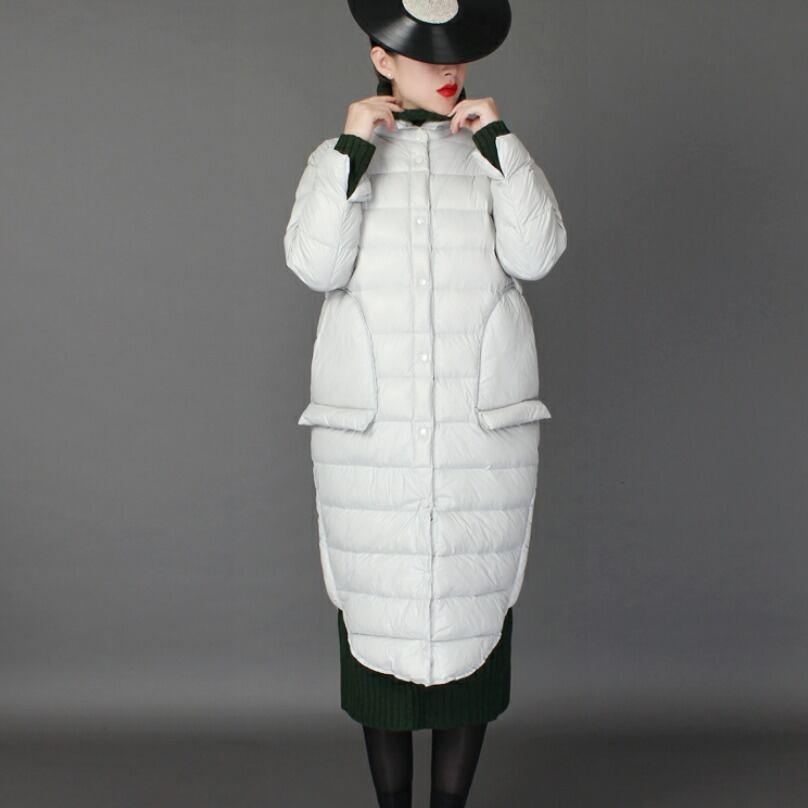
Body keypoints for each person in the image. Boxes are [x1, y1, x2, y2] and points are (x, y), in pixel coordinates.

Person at [283, 2, 568, 806]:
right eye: (427, 56)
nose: (448, 70)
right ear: (382, 58)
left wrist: (500, 142)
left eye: (459, 54)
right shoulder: (339, 157)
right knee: (380, 625)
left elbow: (539, 253)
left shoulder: (491, 153)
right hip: (373, 440)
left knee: (473, 616)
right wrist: (352, 147)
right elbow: (313, 265)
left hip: (479, 437)